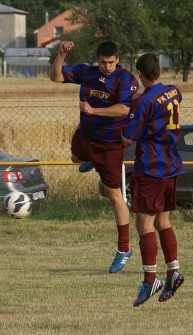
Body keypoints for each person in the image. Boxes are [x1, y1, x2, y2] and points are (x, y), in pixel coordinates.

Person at [49, 41, 139, 274]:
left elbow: (123, 109)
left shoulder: (125, 79)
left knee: (114, 196)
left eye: (111, 62)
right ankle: (91, 161)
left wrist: (93, 111)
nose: (107, 66)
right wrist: (60, 55)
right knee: (74, 158)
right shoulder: (87, 72)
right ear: (96, 59)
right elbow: (55, 77)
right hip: (86, 134)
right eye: (102, 62)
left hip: (109, 145)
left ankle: (124, 248)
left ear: (117, 59)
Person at [122, 53, 185, 307]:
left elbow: (128, 138)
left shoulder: (142, 102)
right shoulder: (174, 91)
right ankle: (173, 271)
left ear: (139, 73)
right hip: (171, 165)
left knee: (144, 223)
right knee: (163, 220)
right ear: (159, 69)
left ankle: (150, 279)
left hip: (151, 167)